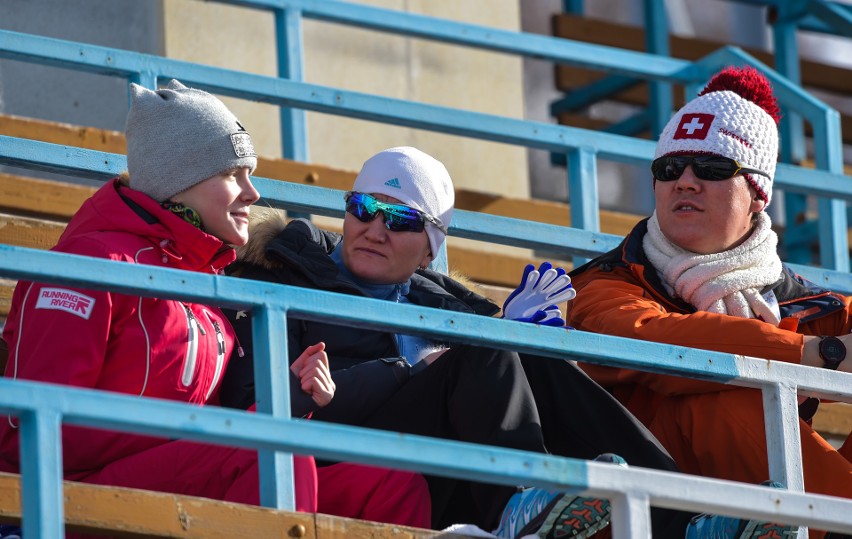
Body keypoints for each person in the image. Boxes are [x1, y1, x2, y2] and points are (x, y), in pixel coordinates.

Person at [219, 146, 724, 538]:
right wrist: (411, 367)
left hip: (437, 466)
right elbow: (250, 407)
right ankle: (518, 501)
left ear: (429, 248)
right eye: (363, 208)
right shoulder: (290, 282)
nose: (374, 229)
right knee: (484, 344)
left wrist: (521, 333)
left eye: (400, 220)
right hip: (341, 460)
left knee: (517, 346)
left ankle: (688, 517)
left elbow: (492, 369)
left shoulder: (441, 303)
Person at [0, 80, 430, 532]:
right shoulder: (89, 265)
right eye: (232, 175)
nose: (252, 193)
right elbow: (26, 433)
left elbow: (209, 438)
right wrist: (211, 431)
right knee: (273, 446)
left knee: (392, 486)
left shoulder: (209, 278)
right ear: (177, 182)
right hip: (74, 490)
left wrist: (286, 397)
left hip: (170, 480)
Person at [566, 66, 850, 538]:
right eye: (669, 169)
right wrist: (818, 355)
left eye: (713, 169)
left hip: (768, 496)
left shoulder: (808, 303)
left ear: (759, 195)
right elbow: (651, 340)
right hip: (644, 496)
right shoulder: (604, 280)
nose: (686, 182)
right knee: (727, 389)